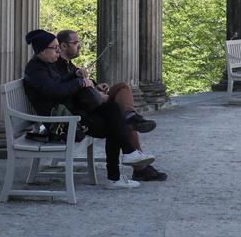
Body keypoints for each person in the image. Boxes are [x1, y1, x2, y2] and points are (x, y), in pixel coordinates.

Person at [23, 29, 153, 189]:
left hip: (71, 113)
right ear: (41, 50)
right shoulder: (36, 70)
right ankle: (118, 171)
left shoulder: (44, 65)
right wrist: (80, 82)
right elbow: (54, 91)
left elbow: (59, 82)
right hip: (62, 123)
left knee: (113, 110)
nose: (57, 51)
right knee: (114, 123)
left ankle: (127, 155)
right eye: (55, 48)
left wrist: (75, 75)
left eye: (58, 48)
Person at [55, 29, 167, 182]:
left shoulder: (69, 65)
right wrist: (94, 92)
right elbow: (70, 91)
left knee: (123, 90)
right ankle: (139, 167)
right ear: (63, 46)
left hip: (91, 102)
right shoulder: (58, 67)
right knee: (122, 115)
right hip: (87, 109)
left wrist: (96, 87)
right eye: (75, 43)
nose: (79, 45)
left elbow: (79, 85)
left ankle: (130, 117)